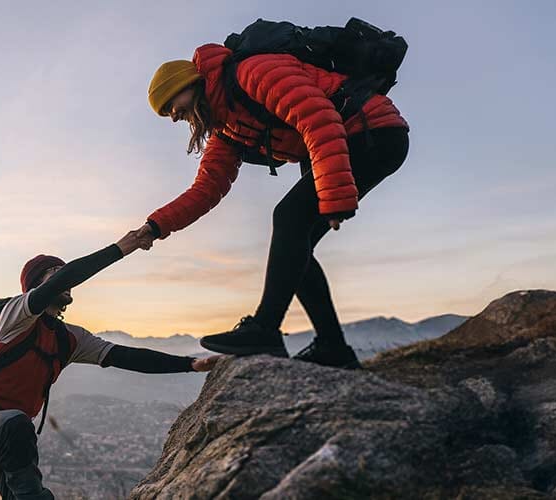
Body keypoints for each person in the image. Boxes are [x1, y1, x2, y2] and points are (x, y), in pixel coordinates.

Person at [135, 42, 410, 369]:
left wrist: (334, 196)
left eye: (171, 104)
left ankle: (265, 328)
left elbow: (317, 117)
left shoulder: (252, 72)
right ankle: (332, 347)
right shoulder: (226, 128)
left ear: (188, 84)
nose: (174, 116)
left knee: (289, 218)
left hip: (372, 131)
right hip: (345, 143)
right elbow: (207, 189)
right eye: (166, 114)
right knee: (296, 245)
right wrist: (155, 226)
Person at [0, 231, 220, 499]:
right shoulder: (14, 319)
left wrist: (191, 364)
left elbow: (125, 356)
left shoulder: (69, 339)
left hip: (8, 437)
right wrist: (122, 248)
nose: (66, 280)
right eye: (54, 273)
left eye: (64, 273)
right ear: (36, 285)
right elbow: (65, 277)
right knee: (23, 455)